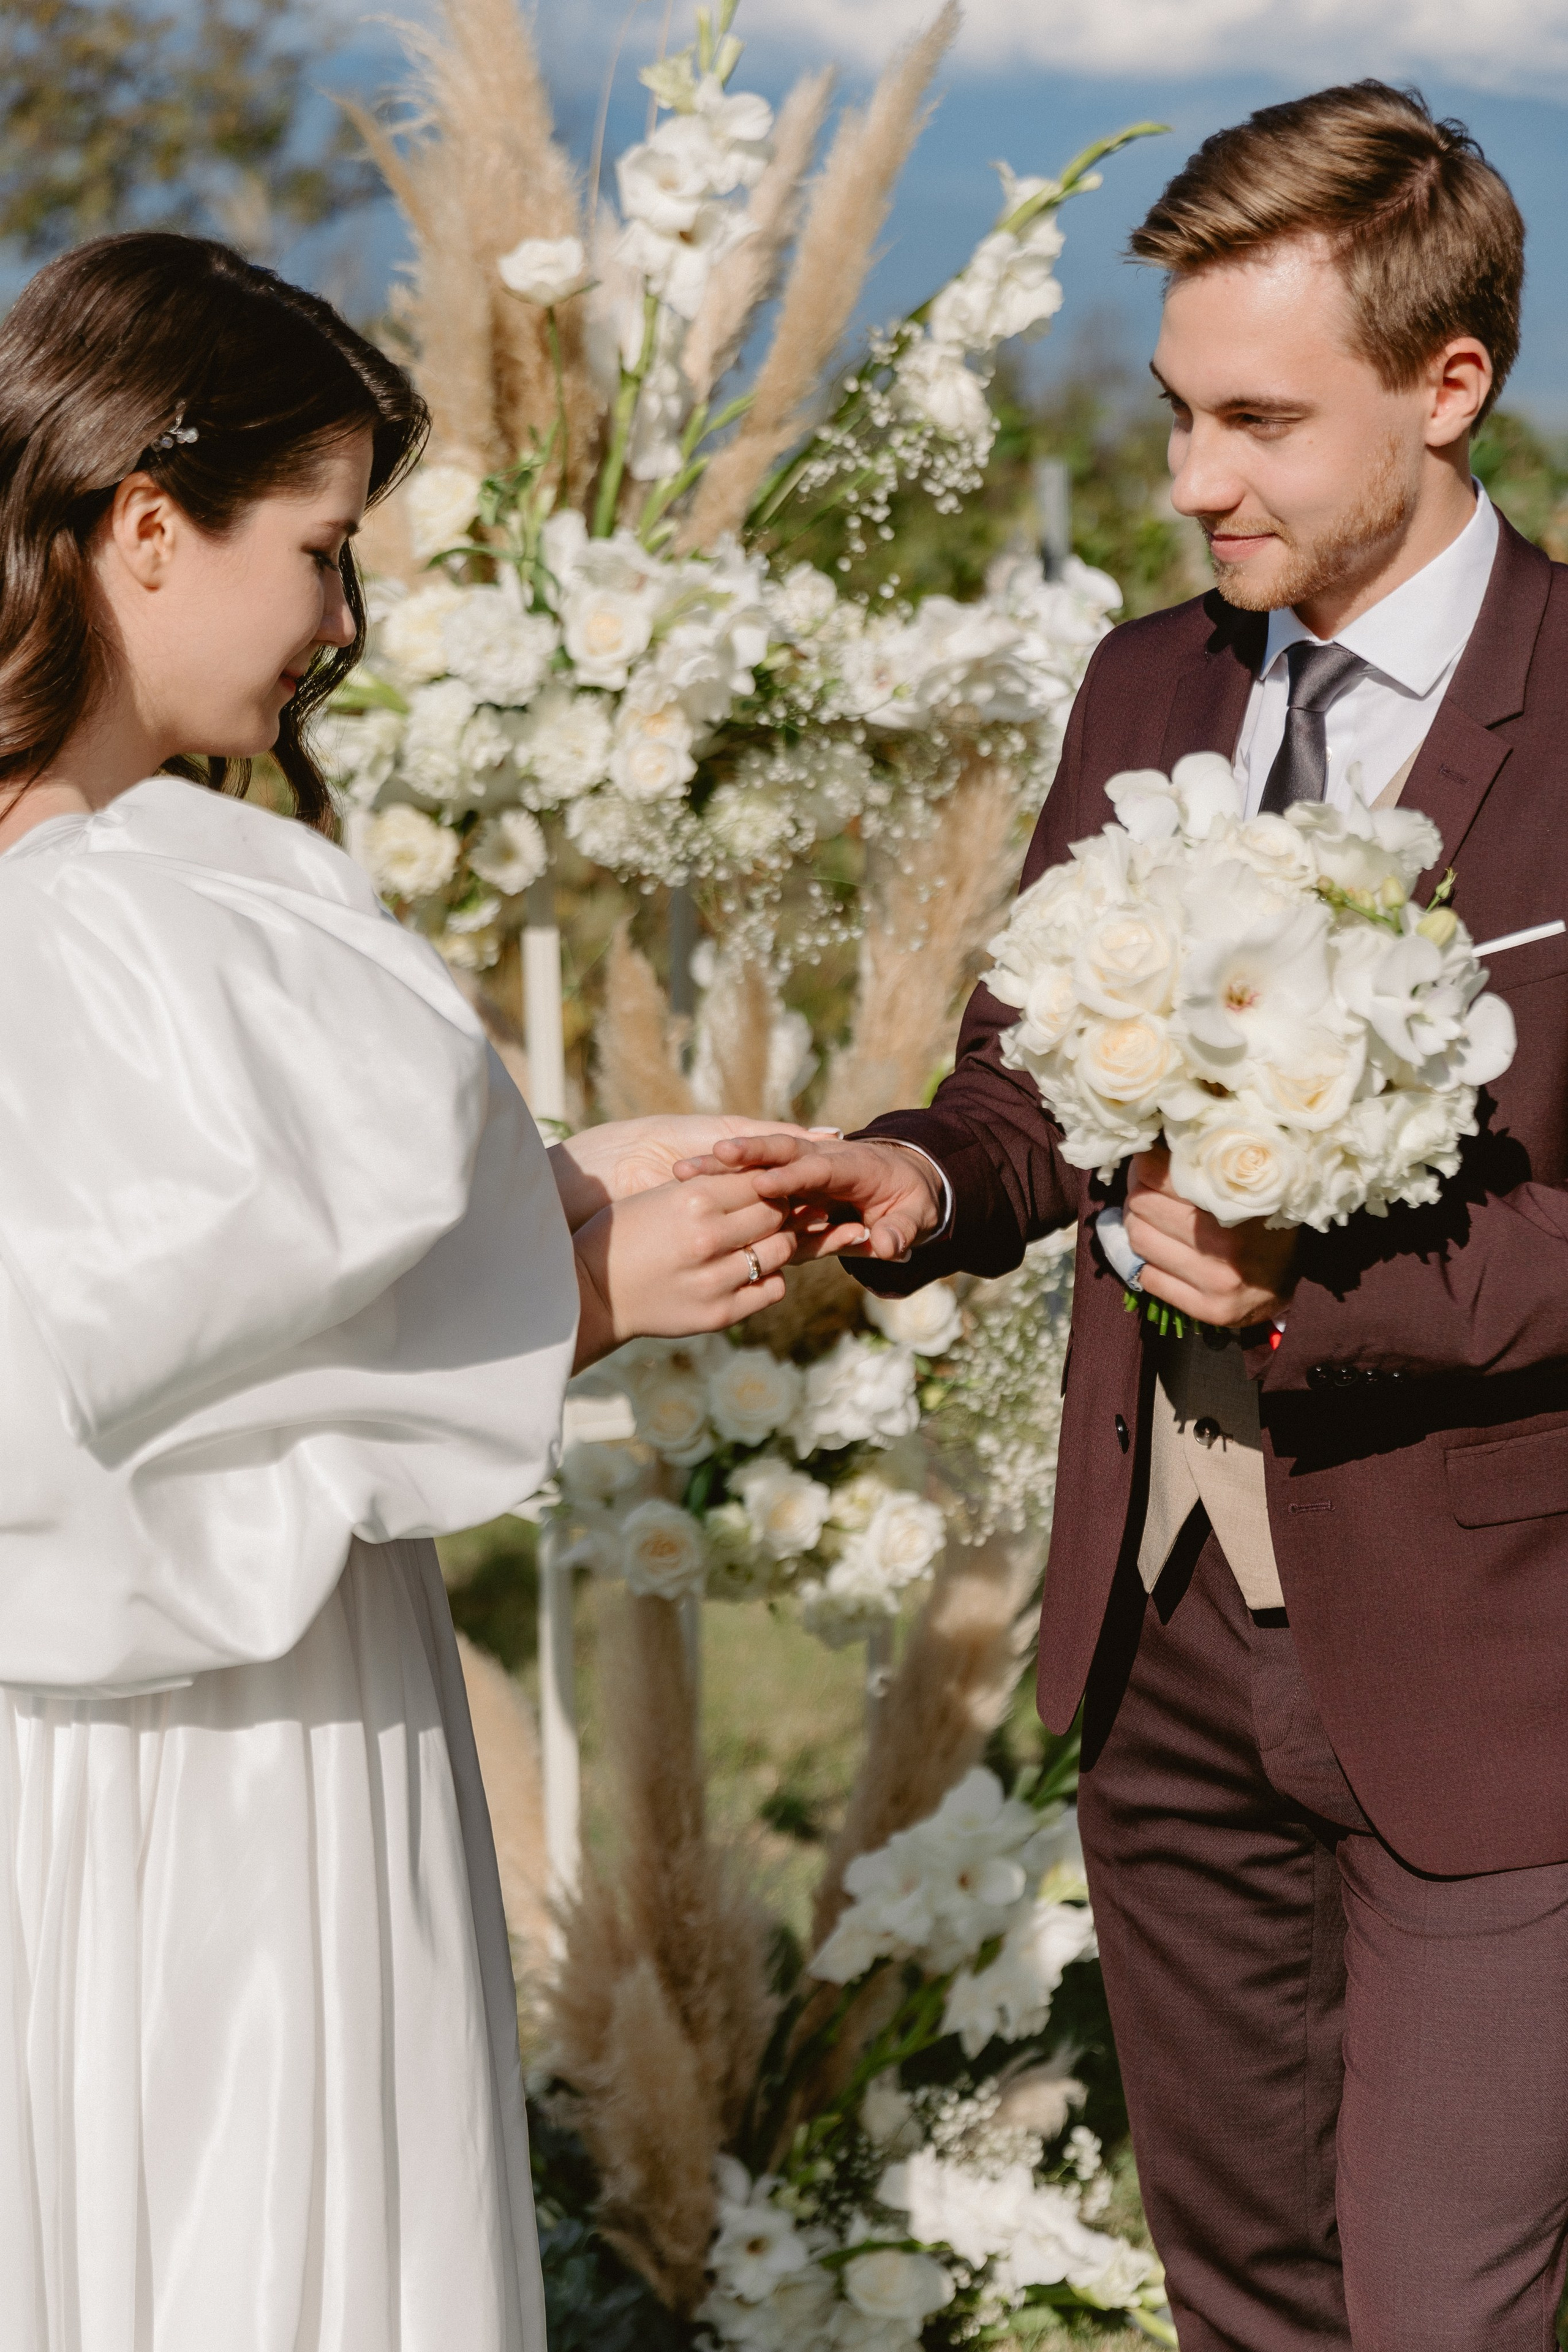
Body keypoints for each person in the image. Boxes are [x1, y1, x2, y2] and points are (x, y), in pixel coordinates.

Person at [681, 83, 1568, 2352]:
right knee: (1246, 2305)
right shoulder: (1147, 682)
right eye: (1179, 413)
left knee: (1446, 2314)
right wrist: (914, 1174)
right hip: (1157, 1639)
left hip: (1492, 1666)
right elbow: (1031, 1090)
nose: (1194, 482)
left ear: (1452, 383)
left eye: (1260, 420)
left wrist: (1328, 1289)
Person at [0, 233, 837, 2352]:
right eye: (321, 547)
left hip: (199, 1710)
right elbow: (93, 1395)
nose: (345, 624)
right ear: (147, 525)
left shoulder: (135, 891)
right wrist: (578, 1299)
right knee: (232, 2227)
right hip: (203, 1752)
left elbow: (231, 1290)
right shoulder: (95, 920)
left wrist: (550, 1189)